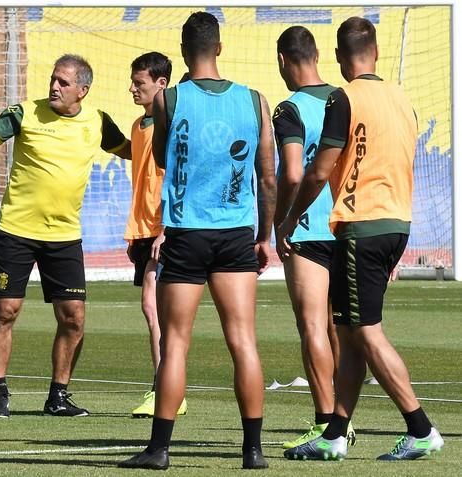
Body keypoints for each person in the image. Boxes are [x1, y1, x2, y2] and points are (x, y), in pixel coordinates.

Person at [278, 17, 443, 461]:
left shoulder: (344, 98)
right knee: (349, 335)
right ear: (377, 52)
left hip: (360, 225)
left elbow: (318, 170)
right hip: (397, 224)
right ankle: (334, 434)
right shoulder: (401, 99)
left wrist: (289, 220)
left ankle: (421, 427)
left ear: (337, 56)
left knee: (366, 334)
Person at [120, 11, 276, 470]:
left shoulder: (169, 100)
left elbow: (167, 154)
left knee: (176, 344)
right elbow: (267, 179)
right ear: (219, 48)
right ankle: (252, 451)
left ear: (184, 52)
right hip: (235, 235)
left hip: (187, 234)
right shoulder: (255, 101)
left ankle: (159, 449)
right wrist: (262, 237)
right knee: (243, 341)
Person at [0, 54, 130, 418]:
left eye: (63, 82)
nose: (54, 86)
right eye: (53, 79)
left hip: (65, 236)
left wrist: (157, 130)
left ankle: (58, 397)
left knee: (74, 318)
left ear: (83, 90)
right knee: (6, 310)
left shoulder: (98, 122)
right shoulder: (24, 113)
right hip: (17, 230)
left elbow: (132, 151)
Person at [272, 25, 355, 449]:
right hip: (349, 224)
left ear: (283, 60)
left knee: (311, 327)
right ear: (319, 54)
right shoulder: (346, 99)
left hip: (307, 229)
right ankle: (344, 420)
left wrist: (280, 219)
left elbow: (291, 172)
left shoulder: (289, 109)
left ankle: (326, 424)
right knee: (340, 328)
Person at [123, 52, 187, 419]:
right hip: (144, 230)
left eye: (140, 83)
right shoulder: (138, 125)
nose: (133, 88)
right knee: (155, 310)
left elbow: (177, 177)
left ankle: (166, 390)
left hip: (167, 228)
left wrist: (166, 227)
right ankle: (169, 389)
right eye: (133, 82)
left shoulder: (174, 122)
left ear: (161, 84)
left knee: (155, 308)